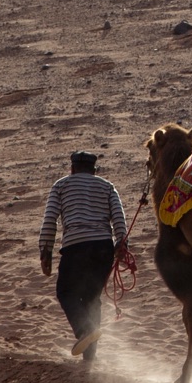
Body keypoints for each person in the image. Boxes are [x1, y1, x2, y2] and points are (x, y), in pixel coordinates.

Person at [39, 150, 129, 361]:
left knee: (66, 292)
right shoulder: (107, 186)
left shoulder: (61, 185)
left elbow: (50, 219)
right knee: (91, 299)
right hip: (103, 248)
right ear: (94, 170)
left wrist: (45, 251)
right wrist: (122, 244)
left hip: (75, 247)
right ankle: (90, 354)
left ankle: (84, 330)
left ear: (72, 169)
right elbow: (119, 217)